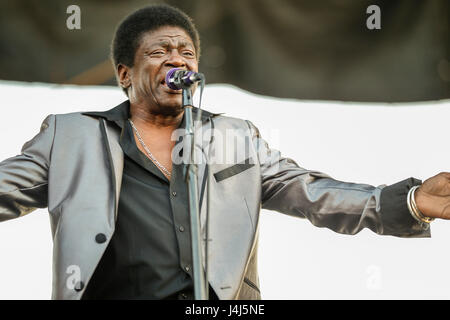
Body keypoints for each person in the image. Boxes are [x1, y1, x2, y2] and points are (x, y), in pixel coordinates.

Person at [0, 4, 449, 300]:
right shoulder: (71, 136)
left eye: (187, 52)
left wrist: (408, 201)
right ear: (124, 74)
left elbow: (310, 193)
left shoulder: (235, 137)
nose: (178, 59)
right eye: (160, 51)